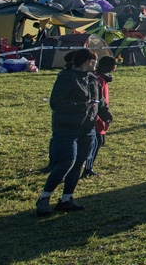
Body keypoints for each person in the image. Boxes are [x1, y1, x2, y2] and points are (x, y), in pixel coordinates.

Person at [38, 48, 103, 216]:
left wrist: (105, 114)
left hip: (86, 128)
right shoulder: (66, 77)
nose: (96, 63)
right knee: (67, 162)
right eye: (94, 60)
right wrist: (82, 107)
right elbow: (56, 103)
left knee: (79, 162)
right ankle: (45, 198)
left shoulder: (92, 79)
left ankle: (67, 198)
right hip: (67, 127)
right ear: (88, 61)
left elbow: (98, 100)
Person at [82, 56, 117, 177]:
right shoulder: (99, 79)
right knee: (98, 141)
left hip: (98, 114)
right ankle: (87, 168)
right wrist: (105, 115)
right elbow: (99, 100)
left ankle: (85, 165)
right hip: (97, 115)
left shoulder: (100, 78)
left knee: (98, 141)